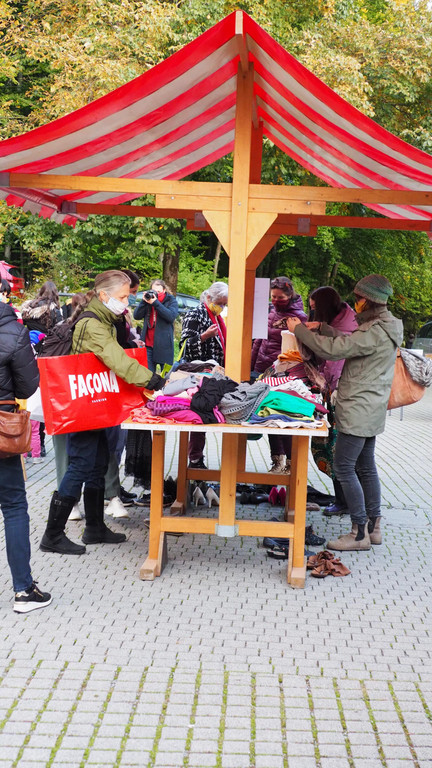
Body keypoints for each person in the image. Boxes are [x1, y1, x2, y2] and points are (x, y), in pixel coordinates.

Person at [39, 270, 164, 556]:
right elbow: (116, 358)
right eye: (123, 296)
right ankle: (52, 535)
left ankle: (95, 528)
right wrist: (153, 381)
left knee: (97, 463)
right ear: (104, 295)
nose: (127, 301)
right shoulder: (92, 324)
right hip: (84, 407)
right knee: (80, 464)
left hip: (95, 406)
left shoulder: (104, 319)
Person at [288, 274, 403, 551]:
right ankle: (374, 528)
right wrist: (324, 327)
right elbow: (352, 342)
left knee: (343, 467)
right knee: (365, 466)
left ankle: (359, 533)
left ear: (369, 300)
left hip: (357, 408)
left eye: (358, 298)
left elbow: (334, 351)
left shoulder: (374, 331)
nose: (355, 302)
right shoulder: (385, 327)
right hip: (371, 407)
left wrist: (299, 330)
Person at [0, 290, 52, 612]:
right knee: (14, 507)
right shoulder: (13, 330)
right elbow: (28, 386)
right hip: (2, 431)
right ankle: (23, 590)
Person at [303, 286, 357, 516]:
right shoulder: (338, 321)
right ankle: (347, 502)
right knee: (338, 453)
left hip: (341, 397)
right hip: (339, 396)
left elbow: (334, 363)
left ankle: (346, 503)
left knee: (338, 453)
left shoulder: (344, 326)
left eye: (315, 309)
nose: (312, 313)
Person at [251, 276, 307, 473]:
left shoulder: (298, 317)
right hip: (263, 370)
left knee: (285, 417)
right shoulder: (271, 312)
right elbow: (259, 341)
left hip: (285, 372)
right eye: (273, 297)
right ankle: (277, 460)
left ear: (290, 295)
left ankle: (291, 462)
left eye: (280, 297)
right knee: (270, 416)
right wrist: (252, 367)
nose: (275, 300)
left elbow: (302, 347)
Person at [180, 281, 228, 468]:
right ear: (208, 297)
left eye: (224, 304)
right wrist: (203, 337)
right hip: (199, 374)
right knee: (200, 415)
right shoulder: (195, 313)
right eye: (219, 303)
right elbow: (184, 345)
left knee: (206, 415)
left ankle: (197, 458)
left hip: (214, 374)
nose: (221, 307)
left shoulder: (217, 317)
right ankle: (195, 459)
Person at [134, 279, 179, 372]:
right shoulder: (148, 300)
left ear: (164, 290)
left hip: (164, 346)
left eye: (159, 292)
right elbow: (136, 316)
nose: (156, 294)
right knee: (149, 375)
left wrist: (156, 303)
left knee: (165, 375)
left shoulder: (171, 300)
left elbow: (171, 317)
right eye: (154, 291)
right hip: (148, 344)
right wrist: (143, 301)